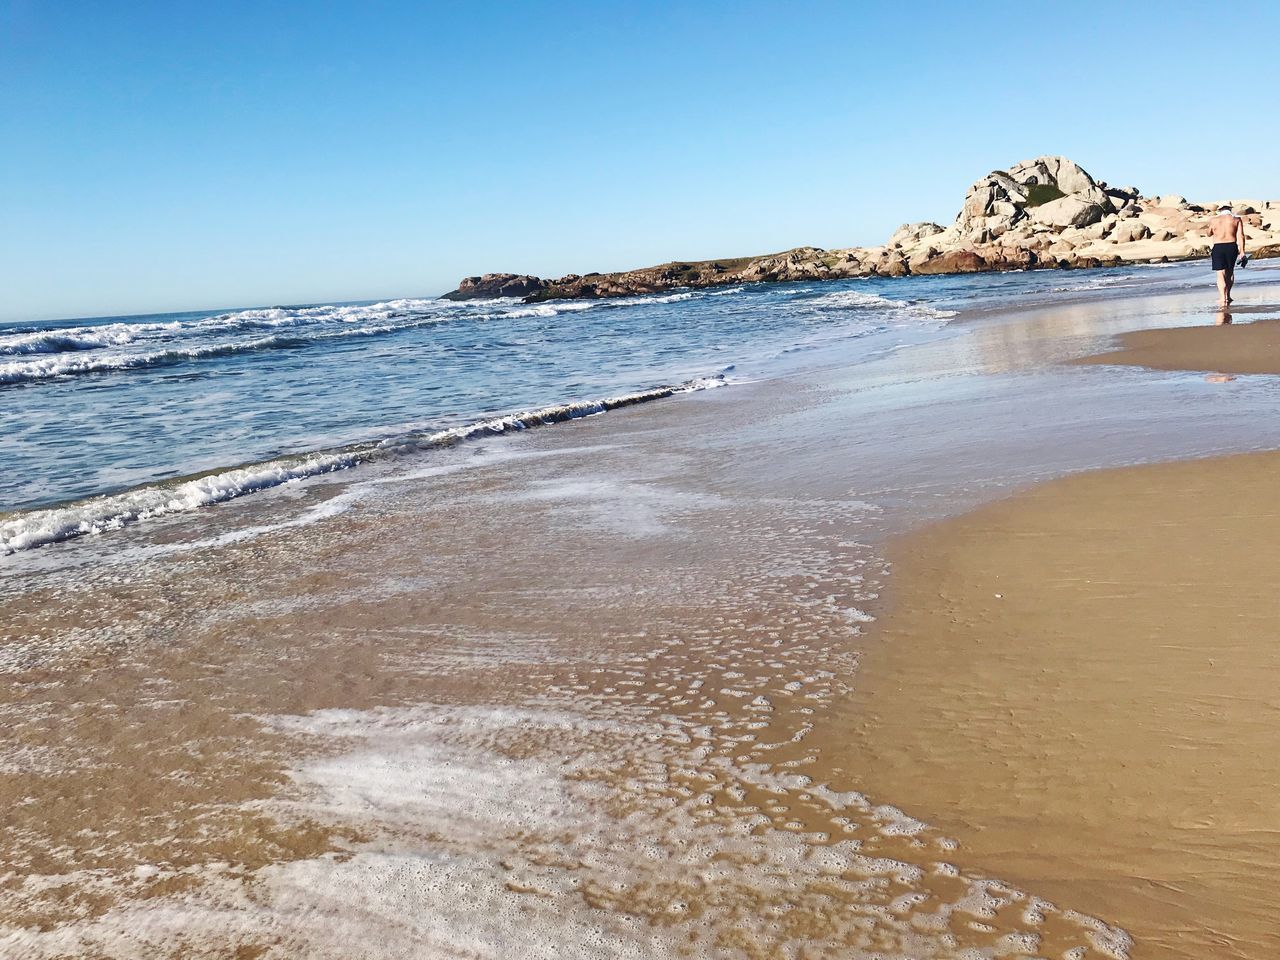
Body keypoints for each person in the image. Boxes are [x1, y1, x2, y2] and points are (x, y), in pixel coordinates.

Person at [1206, 205, 1247, 305]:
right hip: (1231, 246)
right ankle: (1228, 295)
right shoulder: (1236, 219)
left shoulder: (1213, 220)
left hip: (1218, 247)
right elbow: (1241, 236)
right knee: (1230, 272)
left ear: (1220, 210)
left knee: (1220, 274)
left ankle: (1222, 297)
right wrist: (1242, 251)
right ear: (1230, 209)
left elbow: (1208, 233)